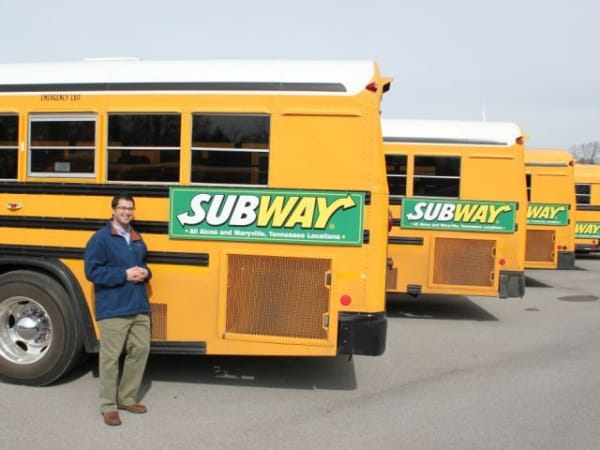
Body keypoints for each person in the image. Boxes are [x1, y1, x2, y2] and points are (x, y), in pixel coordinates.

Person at [84, 193, 152, 426]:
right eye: (122, 208)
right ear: (113, 210)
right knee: (110, 358)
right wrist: (123, 274)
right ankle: (108, 406)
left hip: (138, 305)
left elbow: (142, 264)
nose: (126, 212)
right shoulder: (100, 239)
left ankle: (127, 398)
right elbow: (92, 272)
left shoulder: (136, 237)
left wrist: (146, 272)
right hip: (113, 307)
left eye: (130, 208)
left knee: (140, 349)